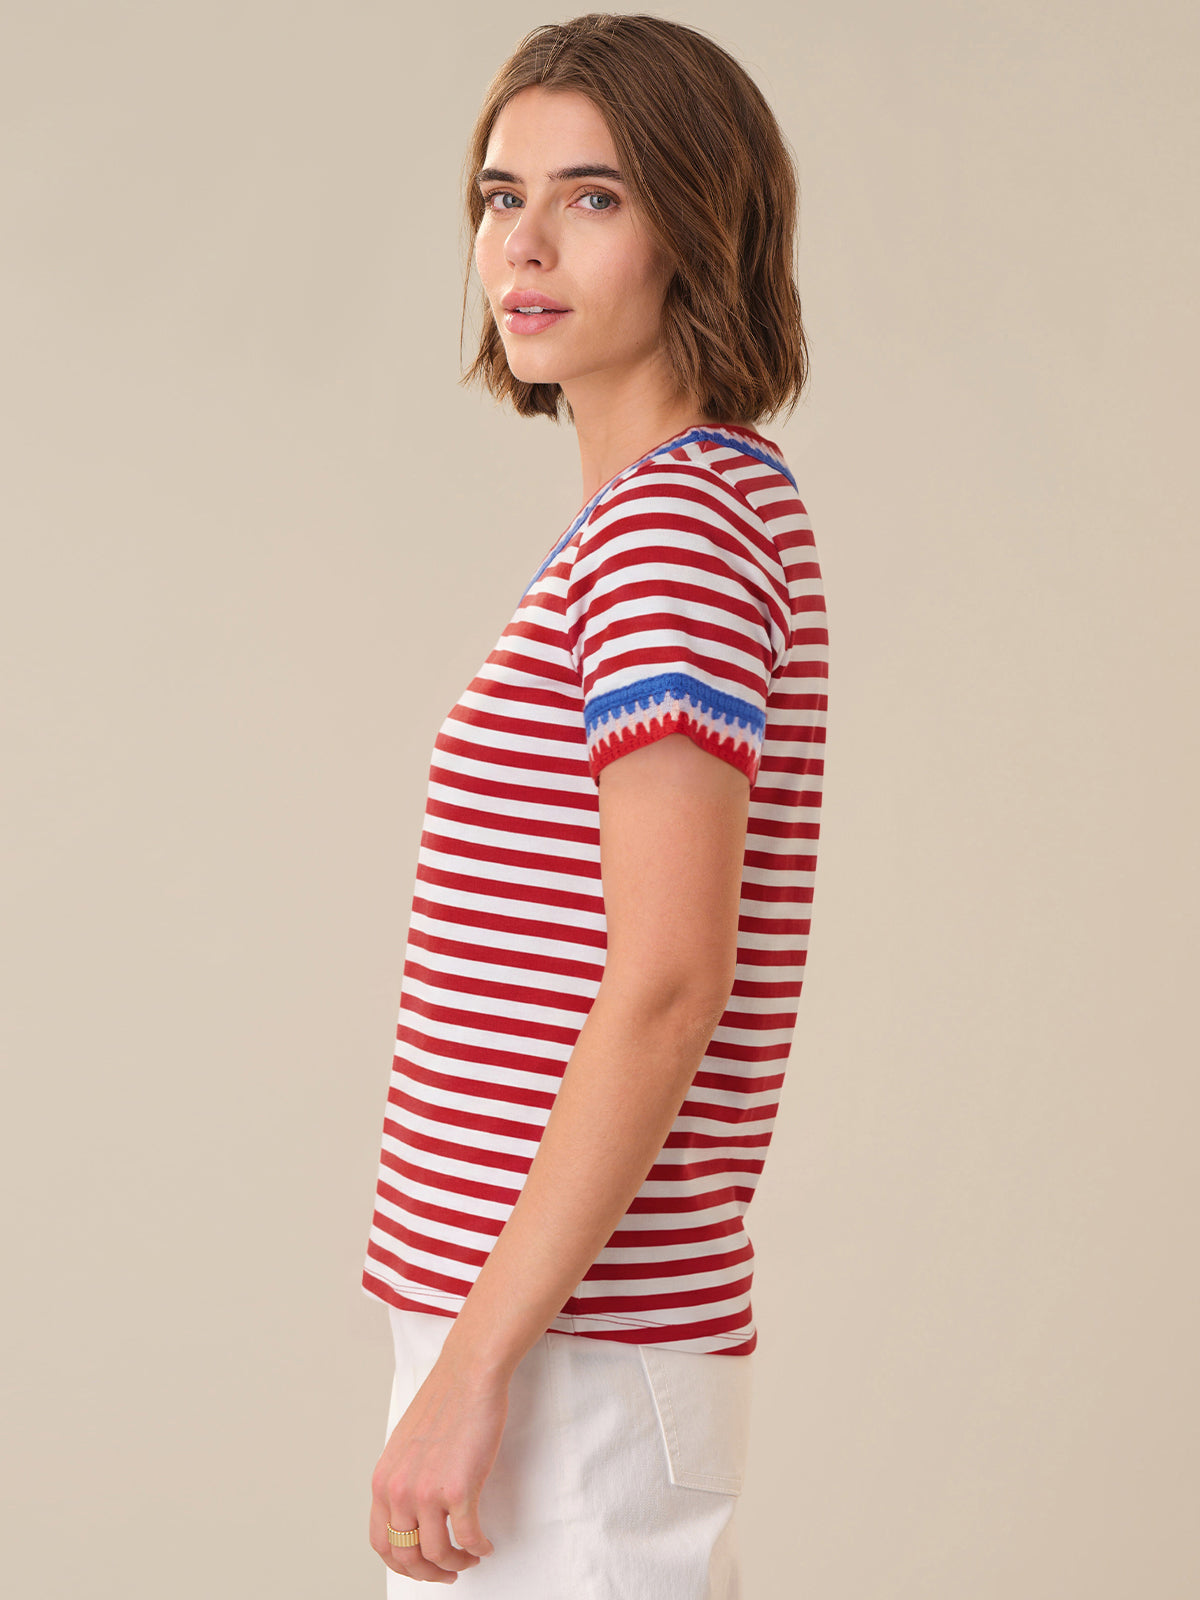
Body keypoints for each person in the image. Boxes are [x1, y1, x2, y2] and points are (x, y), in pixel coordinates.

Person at [362, 13, 829, 1594]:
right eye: (501, 197)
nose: (527, 243)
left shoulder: (669, 539)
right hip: (561, 1338)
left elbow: (670, 978)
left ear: (701, 222)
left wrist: (476, 1367)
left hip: (566, 1353)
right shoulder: (678, 516)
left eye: (595, 195)